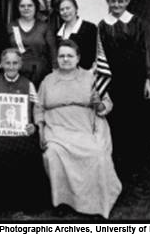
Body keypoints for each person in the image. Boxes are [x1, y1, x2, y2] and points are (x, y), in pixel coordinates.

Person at [37, 39, 121, 219]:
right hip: (57, 129)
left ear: (78, 58)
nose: (65, 59)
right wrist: (40, 129)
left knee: (97, 153)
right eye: (61, 56)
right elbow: (38, 108)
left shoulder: (90, 78)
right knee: (53, 153)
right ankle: (62, 201)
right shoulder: (48, 80)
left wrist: (99, 105)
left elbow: (107, 104)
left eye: (69, 56)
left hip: (84, 127)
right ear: (57, 59)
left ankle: (96, 203)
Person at [0, 48, 49, 212]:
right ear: (1, 64)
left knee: (29, 151)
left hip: (21, 132)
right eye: (7, 63)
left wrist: (33, 126)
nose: (11, 66)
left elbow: (35, 110)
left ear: (20, 64)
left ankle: (27, 202)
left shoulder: (27, 84)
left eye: (15, 63)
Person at [98, 0, 150, 179]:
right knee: (117, 119)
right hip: (114, 79)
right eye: (113, 1)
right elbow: (100, 56)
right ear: (108, 2)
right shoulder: (103, 25)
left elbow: (144, 50)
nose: (117, 4)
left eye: (120, 1)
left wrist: (147, 79)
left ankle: (136, 164)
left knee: (135, 119)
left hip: (135, 77)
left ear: (127, 2)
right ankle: (118, 163)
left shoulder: (137, 22)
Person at [7, 0, 57, 88]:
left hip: (41, 74)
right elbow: (5, 50)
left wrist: (55, 73)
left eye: (30, 5)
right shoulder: (11, 26)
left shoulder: (45, 27)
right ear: (18, 8)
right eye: (22, 6)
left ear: (35, 7)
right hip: (16, 73)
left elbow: (53, 51)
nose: (26, 8)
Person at [56, 0, 97, 70]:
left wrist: (91, 72)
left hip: (85, 76)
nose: (65, 12)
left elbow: (97, 54)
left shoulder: (90, 28)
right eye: (62, 9)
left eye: (68, 8)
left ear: (76, 9)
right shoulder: (58, 33)